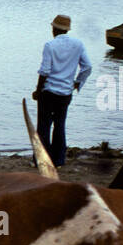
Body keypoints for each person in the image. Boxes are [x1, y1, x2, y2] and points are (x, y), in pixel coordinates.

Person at [32, 14, 91, 168]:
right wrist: (78, 83)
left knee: (44, 126)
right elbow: (87, 66)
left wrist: (38, 90)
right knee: (60, 125)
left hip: (49, 91)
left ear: (54, 28)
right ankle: (58, 160)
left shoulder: (50, 45)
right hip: (65, 92)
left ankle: (42, 159)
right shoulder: (78, 44)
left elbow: (44, 71)